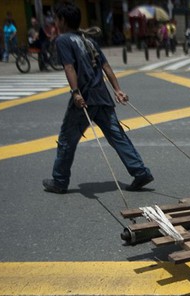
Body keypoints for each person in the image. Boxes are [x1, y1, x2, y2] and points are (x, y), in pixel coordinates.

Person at [42, 3, 153, 194]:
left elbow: (69, 67)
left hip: (84, 97)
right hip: (102, 96)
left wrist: (75, 92)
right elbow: (106, 67)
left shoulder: (63, 40)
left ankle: (59, 181)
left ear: (63, 21)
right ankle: (140, 171)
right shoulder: (88, 40)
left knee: (67, 139)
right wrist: (117, 90)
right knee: (117, 136)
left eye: (57, 19)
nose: (55, 22)